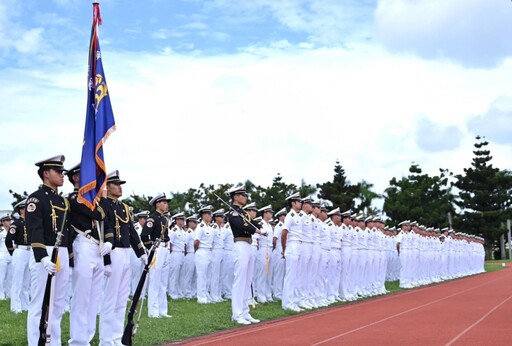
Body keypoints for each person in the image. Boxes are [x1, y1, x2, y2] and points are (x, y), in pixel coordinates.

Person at [25, 155, 72, 346]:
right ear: (46, 173)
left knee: (58, 303)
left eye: (62, 172)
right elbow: (34, 229)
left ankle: (54, 341)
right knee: (39, 303)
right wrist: (42, 257)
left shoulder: (63, 201)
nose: (62, 175)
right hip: (44, 253)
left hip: (61, 253)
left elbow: (67, 231)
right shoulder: (36, 198)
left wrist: (69, 257)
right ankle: (36, 342)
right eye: (58, 172)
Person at [99, 170, 147, 345]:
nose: (120, 188)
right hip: (113, 251)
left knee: (122, 299)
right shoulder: (103, 205)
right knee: (110, 299)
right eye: (116, 184)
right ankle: (105, 339)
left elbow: (132, 233)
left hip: (126, 252)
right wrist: (107, 261)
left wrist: (141, 252)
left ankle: (117, 337)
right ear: (107, 186)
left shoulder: (125, 207)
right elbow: (104, 232)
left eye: (120, 185)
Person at [66, 163, 109, 346]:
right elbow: (101, 214)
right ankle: (77, 340)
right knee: (81, 296)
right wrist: (103, 197)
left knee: (94, 298)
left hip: (97, 248)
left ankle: (88, 338)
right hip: (83, 245)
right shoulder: (74, 199)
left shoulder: (93, 199)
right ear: (76, 178)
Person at [226, 184, 266, 325]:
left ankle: (244, 311)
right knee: (240, 280)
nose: (245, 197)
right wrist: (257, 231)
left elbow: (254, 223)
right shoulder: (232, 213)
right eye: (243, 195)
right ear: (236, 197)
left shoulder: (243, 213)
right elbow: (243, 226)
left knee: (248, 280)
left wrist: (259, 227)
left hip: (248, 245)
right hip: (240, 244)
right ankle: (237, 314)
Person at [140, 192, 171, 318]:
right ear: (157, 204)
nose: (166, 204)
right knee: (155, 280)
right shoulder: (152, 218)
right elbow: (144, 235)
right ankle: (153, 311)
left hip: (165, 248)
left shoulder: (164, 218)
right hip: (157, 249)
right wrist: (150, 247)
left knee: (163, 281)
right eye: (164, 202)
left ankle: (163, 310)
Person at [5, 199, 31, 313]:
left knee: (26, 281)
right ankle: (15, 307)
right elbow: (8, 240)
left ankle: (25, 305)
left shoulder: (31, 222)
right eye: (26, 208)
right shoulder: (16, 224)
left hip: (30, 252)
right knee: (17, 280)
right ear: (21, 210)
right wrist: (13, 253)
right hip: (20, 251)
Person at [281, 192, 303, 312]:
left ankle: (293, 301)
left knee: (296, 276)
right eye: (298, 201)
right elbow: (284, 233)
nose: (300, 203)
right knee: (290, 276)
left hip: (298, 245)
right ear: (293, 203)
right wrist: (284, 249)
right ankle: (287, 303)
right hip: (292, 246)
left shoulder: (297, 216)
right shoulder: (290, 216)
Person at [194, 205, 214, 304]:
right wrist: (197, 251)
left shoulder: (209, 227)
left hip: (209, 251)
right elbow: (196, 242)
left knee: (208, 275)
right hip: (202, 251)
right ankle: (201, 297)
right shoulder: (200, 227)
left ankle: (206, 294)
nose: (211, 216)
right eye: (209, 214)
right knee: (201, 275)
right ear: (204, 215)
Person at [168, 212, 187, 300]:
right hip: (175, 253)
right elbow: (170, 243)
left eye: (183, 219)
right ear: (176, 220)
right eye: (181, 219)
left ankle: (179, 292)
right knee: (174, 274)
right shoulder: (173, 231)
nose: (182, 221)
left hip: (182, 254)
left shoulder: (183, 231)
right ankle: (172, 292)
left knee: (181, 274)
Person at [130, 210, 149, 296]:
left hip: (144, 252)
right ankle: (134, 292)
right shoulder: (135, 227)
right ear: (140, 219)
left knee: (143, 273)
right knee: (135, 273)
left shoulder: (146, 228)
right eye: (144, 218)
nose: (146, 220)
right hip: (135, 252)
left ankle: (142, 293)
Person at [0, 213, 12, 300]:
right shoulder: (1, 233)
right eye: (7, 220)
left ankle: (9, 294)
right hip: (2, 256)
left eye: (9, 220)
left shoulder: (12, 231)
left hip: (11, 256)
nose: (9, 222)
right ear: (3, 222)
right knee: (1, 276)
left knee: (10, 277)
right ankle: (1, 295)